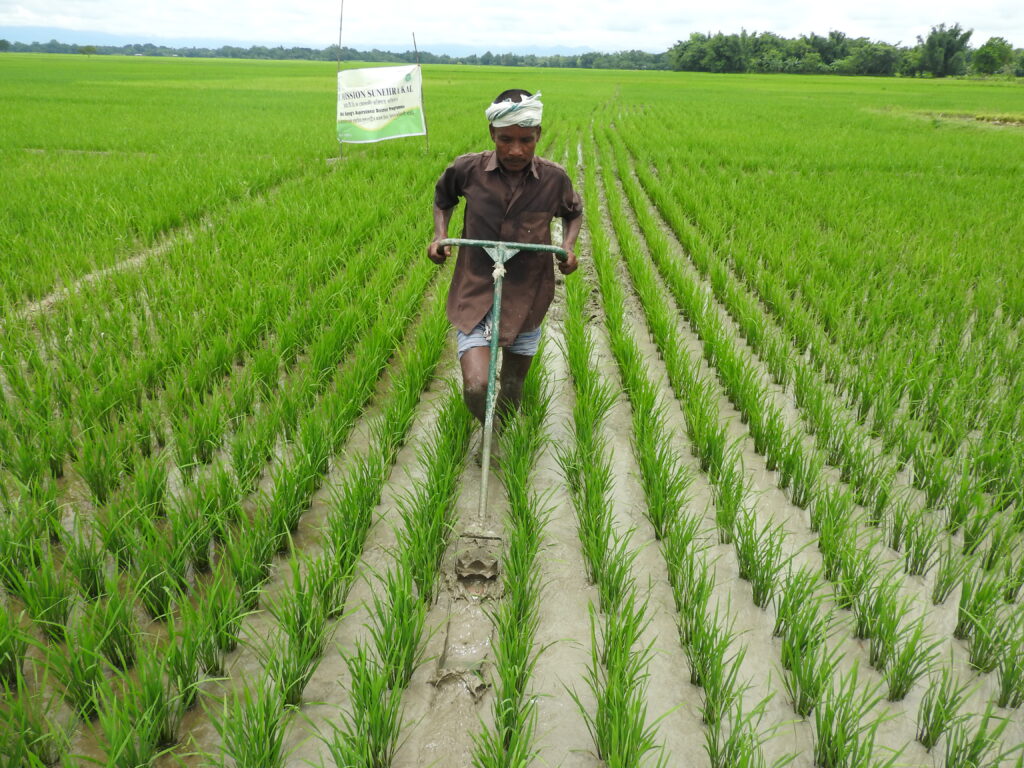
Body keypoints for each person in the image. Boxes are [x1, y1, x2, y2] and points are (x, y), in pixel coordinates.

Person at [427, 89, 583, 430]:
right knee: (476, 386)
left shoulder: (554, 179)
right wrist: (440, 236)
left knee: (512, 387)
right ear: (492, 135)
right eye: (505, 139)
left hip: (527, 295)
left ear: (538, 135)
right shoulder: (468, 169)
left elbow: (574, 212)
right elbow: (443, 198)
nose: (516, 150)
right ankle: (491, 430)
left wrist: (569, 248)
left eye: (526, 140)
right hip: (475, 291)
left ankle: (503, 433)